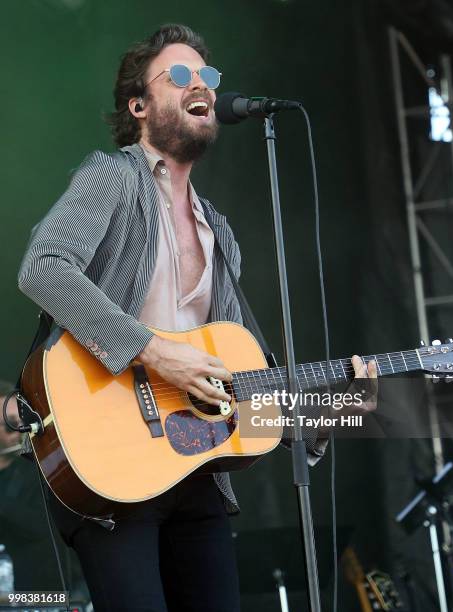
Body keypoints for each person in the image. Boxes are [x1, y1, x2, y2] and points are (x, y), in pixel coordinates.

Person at [17, 24, 377, 611]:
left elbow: (237, 385)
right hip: (107, 461)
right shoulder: (112, 178)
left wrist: (327, 407)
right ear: (139, 105)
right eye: (179, 75)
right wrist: (155, 353)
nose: (201, 83)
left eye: (208, 75)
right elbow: (44, 267)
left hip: (195, 470)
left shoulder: (220, 232)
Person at [0, 380, 87, 598]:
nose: (20, 429)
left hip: (44, 593)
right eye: (11, 423)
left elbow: (41, 525)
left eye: (22, 421)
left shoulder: (43, 469)